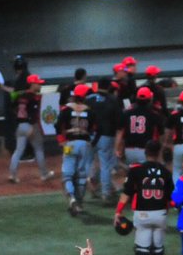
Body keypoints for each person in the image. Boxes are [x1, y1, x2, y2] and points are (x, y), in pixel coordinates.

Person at [116, 139, 174, 255]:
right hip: (160, 214)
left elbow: (126, 193)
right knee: (158, 250)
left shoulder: (136, 169)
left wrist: (118, 212)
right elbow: (171, 197)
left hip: (142, 215)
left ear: (145, 152)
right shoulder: (165, 171)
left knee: (142, 250)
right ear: (158, 152)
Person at [8, 74, 55, 184]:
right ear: (32, 84)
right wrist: (31, 127)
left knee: (18, 151)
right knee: (38, 149)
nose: (40, 85)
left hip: (20, 125)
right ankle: (44, 174)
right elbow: (33, 114)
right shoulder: (33, 97)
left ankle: (12, 175)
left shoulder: (20, 95)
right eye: (38, 83)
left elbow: (13, 108)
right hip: (30, 126)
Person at [57, 84, 94, 216]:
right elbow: (95, 128)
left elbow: (57, 125)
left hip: (69, 144)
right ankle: (79, 203)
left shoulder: (66, 109)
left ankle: (72, 198)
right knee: (82, 175)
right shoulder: (89, 110)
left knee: (67, 175)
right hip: (84, 144)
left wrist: (61, 141)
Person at [87, 76, 122, 203]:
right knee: (105, 166)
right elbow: (119, 124)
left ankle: (90, 188)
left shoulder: (89, 99)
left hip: (90, 135)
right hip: (106, 136)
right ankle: (106, 193)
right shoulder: (113, 100)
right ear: (108, 87)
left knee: (89, 163)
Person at [117, 87, 164, 166]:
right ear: (149, 99)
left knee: (132, 175)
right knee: (145, 175)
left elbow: (121, 132)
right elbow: (160, 135)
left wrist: (119, 148)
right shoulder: (154, 114)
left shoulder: (127, 113)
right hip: (146, 151)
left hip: (129, 150)